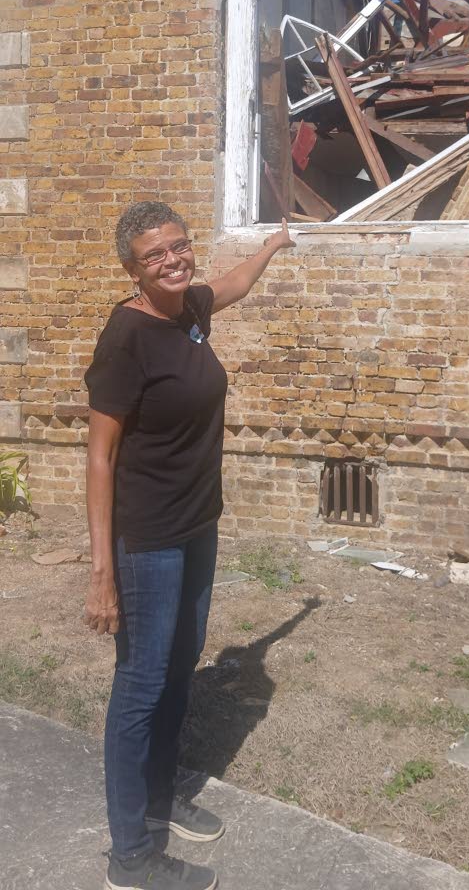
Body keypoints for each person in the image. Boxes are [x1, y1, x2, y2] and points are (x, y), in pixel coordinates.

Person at [84, 201, 295, 890]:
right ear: (132, 269)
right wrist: (101, 573)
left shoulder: (191, 311)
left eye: (178, 247)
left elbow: (230, 285)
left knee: (181, 665)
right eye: (155, 256)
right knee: (141, 686)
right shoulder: (127, 338)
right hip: (147, 540)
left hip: (197, 523)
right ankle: (129, 856)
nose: (173, 260)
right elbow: (99, 458)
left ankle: (159, 793)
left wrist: (273, 245)